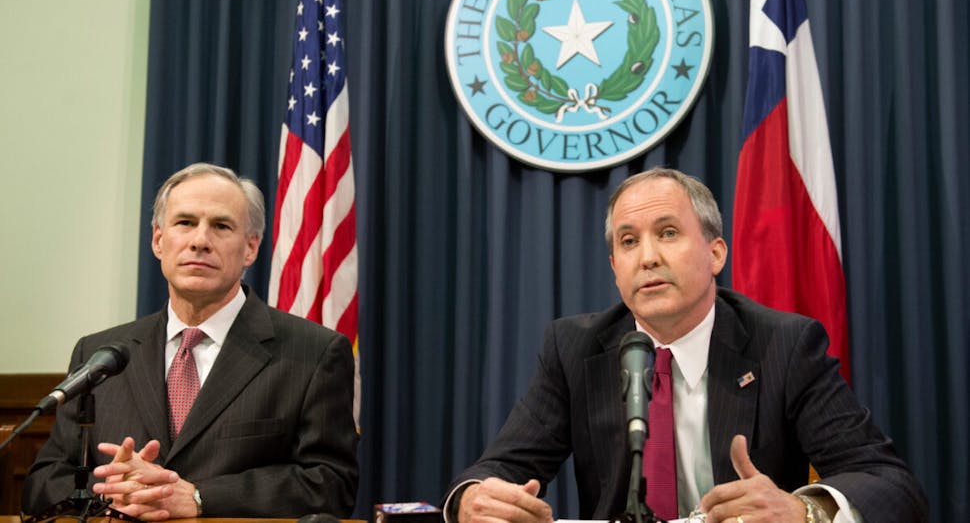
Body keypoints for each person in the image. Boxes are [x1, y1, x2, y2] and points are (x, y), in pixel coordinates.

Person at [444, 167, 927, 523]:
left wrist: (804, 511)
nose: (648, 257)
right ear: (614, 267)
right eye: (628, 242)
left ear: (716, 253)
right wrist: (471, 499)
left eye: (668, 233)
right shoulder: (575, 349)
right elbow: (502, 466)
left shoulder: (784, 344)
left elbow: (889, 483)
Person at [22, 163, 359, 520]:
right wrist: (113, 492)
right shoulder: (99, 355)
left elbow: (331, 485)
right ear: (157, 239)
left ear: (250, 248)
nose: (200, 240)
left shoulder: (314, 353)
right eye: (185, 223)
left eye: (221, 226)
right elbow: (44, 482)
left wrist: (200, 496)